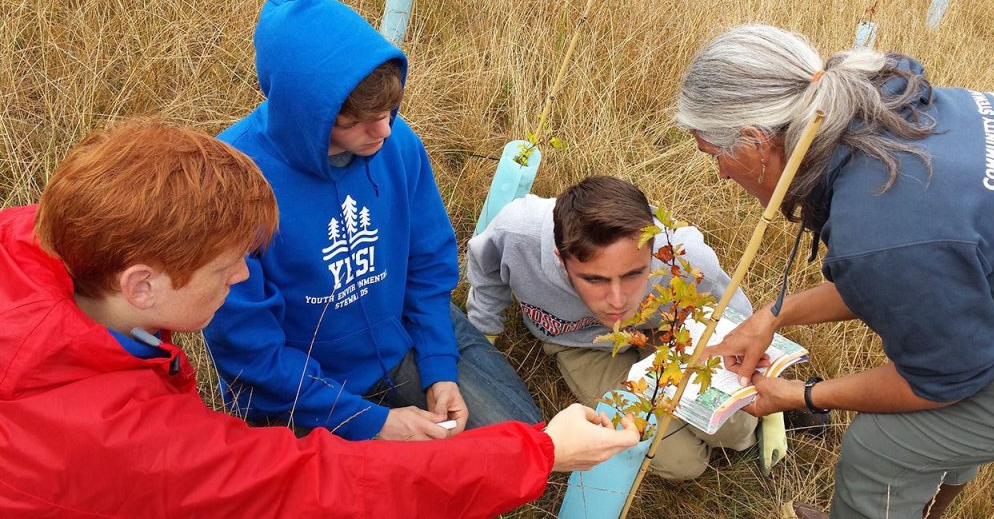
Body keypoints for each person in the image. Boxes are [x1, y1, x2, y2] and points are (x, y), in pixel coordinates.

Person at [0, 118, 640, 517]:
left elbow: (428, 265)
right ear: (143, 284)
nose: (246, 277)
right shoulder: (124, 443)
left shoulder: (45, 242)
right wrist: (541, 451)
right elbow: (322, 486)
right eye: (226, 268)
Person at [675, 24, 994, 519]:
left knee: (882, 446)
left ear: (755, 141)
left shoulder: (882, 227)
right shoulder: (881, 103)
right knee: (934, 427)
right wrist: (772, 317)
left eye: (715, 155)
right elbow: (914, 273)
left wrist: (802, 394)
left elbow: (943, 378)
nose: (721, 174)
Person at [202, 0, 540, 442]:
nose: (383, 131)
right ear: (305, 113)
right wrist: (373, 422)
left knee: (520, 441)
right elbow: (249, 349)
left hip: (401, 336)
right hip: (299, 384)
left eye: (387, 113)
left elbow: (428, 262)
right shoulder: (232, 181)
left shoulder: (395, 142)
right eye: (361, 121)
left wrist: (439, 368)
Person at [466, 175, 759, 480]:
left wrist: (753, 374)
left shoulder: (686, 259)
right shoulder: (517, 233)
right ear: (561, 259)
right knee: (682, 463)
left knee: (737, 431)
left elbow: (737, 322)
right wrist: (483, 332)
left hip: (666, 335)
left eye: (634, 274)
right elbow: (486, 271)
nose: (617, 301)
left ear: (653, 253)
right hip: (582, 346)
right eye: (595, 279)